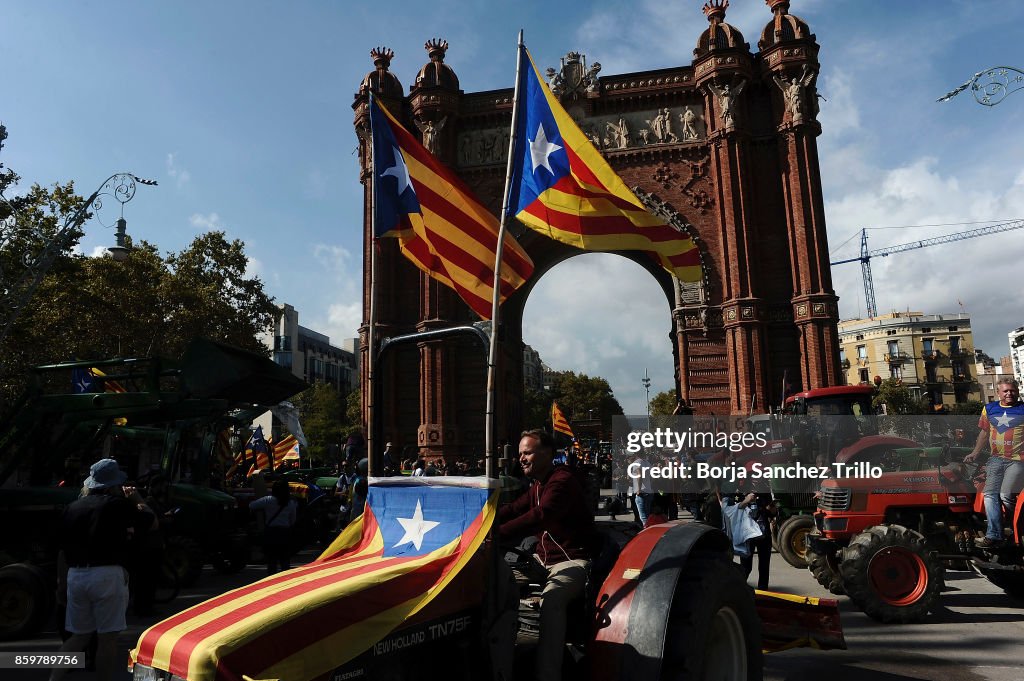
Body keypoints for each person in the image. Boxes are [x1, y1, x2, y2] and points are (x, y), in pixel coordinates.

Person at [498, 429, 596, 681]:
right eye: (520, 453)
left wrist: (497, 533)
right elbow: (514, 508)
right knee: (493, 581)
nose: (521, 458)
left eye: (527, 452)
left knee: (552, 601)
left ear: (548, 453)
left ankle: (547, 674)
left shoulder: (562, 481)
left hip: (571, 560)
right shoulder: (537, 486)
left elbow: (541, 516)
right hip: (542, 561)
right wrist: (481, 521)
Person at [50, 459, 156, 681]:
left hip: (76, 575)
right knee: (107, 639)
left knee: (78, 636)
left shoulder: (72, 507)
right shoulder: (116, 505)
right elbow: (151, 522)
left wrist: (61, 582)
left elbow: (61, 549)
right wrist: (137, 499)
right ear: (113, 484)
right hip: (107, 575)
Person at [964, 377, 1024, 547]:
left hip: (1018, 460)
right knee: (989, 494)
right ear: (998, 393)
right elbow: (984, 434)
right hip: (996, 459)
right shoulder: (989, 409)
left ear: (1017, 391)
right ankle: (995, 534)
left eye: (1012, 390)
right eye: (1005, 391)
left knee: (1005, 494)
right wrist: (975, 452)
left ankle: (1016, 525)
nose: (1009, 393)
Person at [250, 478, 299, 574]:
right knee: (285, 561)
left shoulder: (268, 500)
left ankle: (271, 582)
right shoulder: (291, 503)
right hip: (285, 533)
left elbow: (251, 505)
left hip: (271, 533)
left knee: (271, 561)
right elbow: (293, 520)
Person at [737, 491, 776, 589]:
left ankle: (763, 591)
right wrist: (746, 501)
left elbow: (771, 513)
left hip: (764, 534)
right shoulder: (740, 491)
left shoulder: (765, 493)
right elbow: (733, 511)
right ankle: (740, 590)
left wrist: (772, 510)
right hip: (747, 535)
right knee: (746, 567)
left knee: (764, 566)